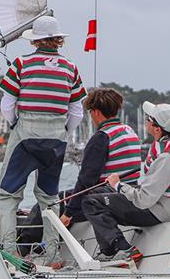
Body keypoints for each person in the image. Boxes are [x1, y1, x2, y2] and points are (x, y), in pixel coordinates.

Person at [0, 15, 86, 265]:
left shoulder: (21, 64)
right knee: (49, 197)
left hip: (25, 133)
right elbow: (76, 110)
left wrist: (16, 124)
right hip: (56, 137)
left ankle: (9, 252)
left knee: (8, 195)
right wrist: (63, 132)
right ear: (58, 40)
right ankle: (51, 254)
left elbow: (7, 103)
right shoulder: (71, 67)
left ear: (35, 40)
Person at [82, 101, 170, 262]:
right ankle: (108, 252)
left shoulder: (168, 157)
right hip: (154, 201)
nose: (146, 121)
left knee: (90, 202)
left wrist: (118, 185)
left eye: (149, 118)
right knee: (95, 194)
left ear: (157, 128)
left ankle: (124, 249)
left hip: (155, 210)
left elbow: (144, 200)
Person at [60, 87, 142, 228]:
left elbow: (86, 180)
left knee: (49, 205)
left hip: (105, 198)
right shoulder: (129, 131)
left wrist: (68, 213)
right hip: (130, 193)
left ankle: (24, 248)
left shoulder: (102, 137)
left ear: (96, 112)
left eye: (90, 111)